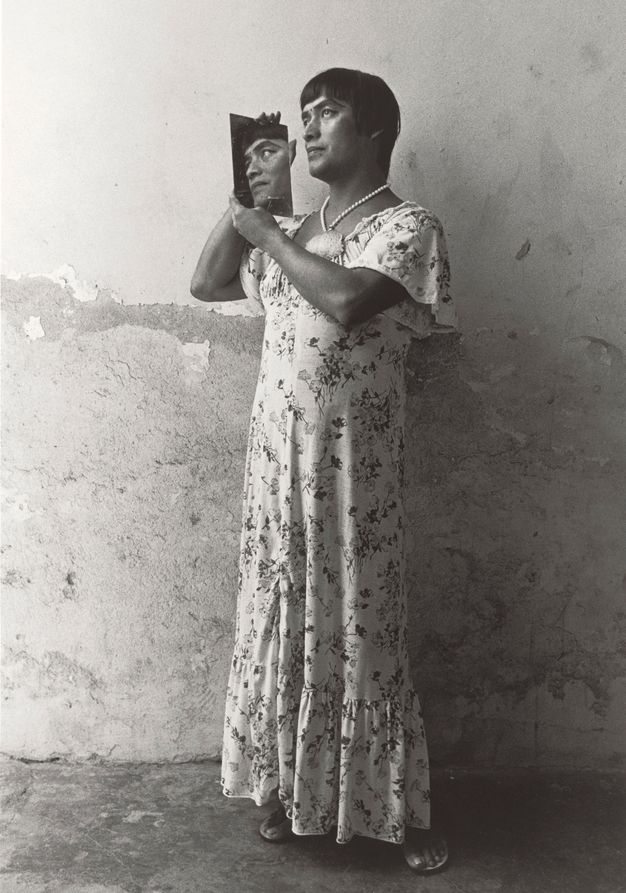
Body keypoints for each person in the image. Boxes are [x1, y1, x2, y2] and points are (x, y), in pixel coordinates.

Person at [191, 67, 457, 874]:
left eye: (327, 113)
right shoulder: (293, 227)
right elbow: (204, 283)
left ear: (374, 130)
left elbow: (346, 302)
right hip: (277, 465)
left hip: (353, 478)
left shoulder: (409, 226)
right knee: (284, 620)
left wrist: (269, 233)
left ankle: (397, 812)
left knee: (361, 630)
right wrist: (247, 206)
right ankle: (287, 789)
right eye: (303, 116)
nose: (309, 130)